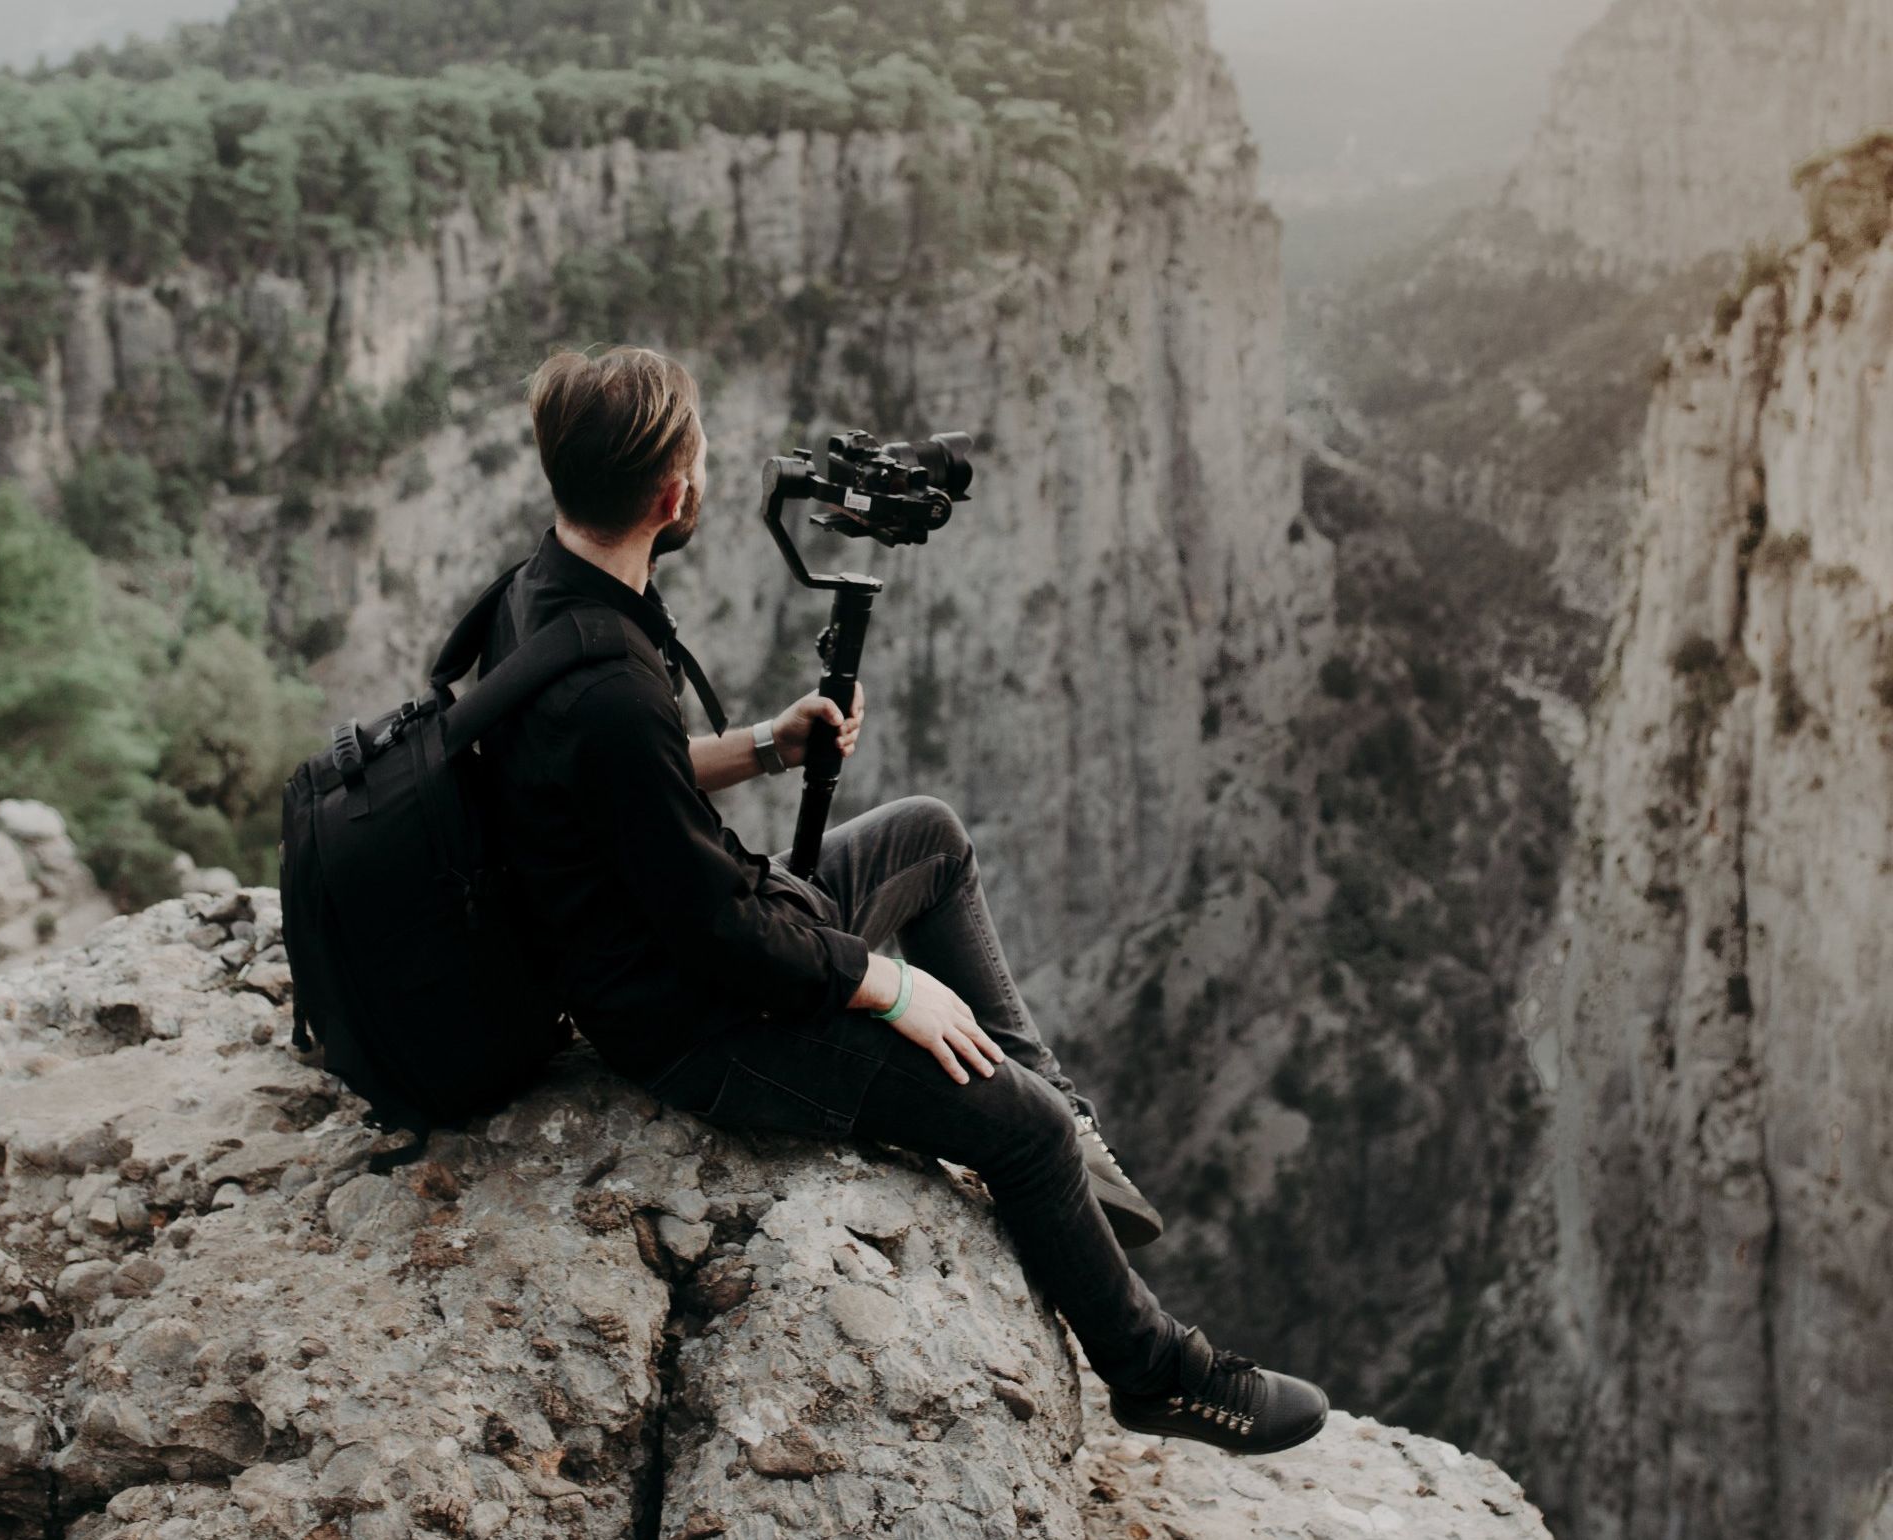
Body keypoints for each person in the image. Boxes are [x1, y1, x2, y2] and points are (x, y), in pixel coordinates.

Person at [474, 345, 1329, 1455]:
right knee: (1011, 1130)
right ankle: (1159, 1371)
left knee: (929, 835)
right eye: (700, 456)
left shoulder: (543, 594)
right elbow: (721, 935)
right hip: (690, 1019)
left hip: (680, 924)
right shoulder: (607, 688)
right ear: (672, 495)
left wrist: (763, 748)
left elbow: (617, 792)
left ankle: (1069, 1121)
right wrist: (888, 987)